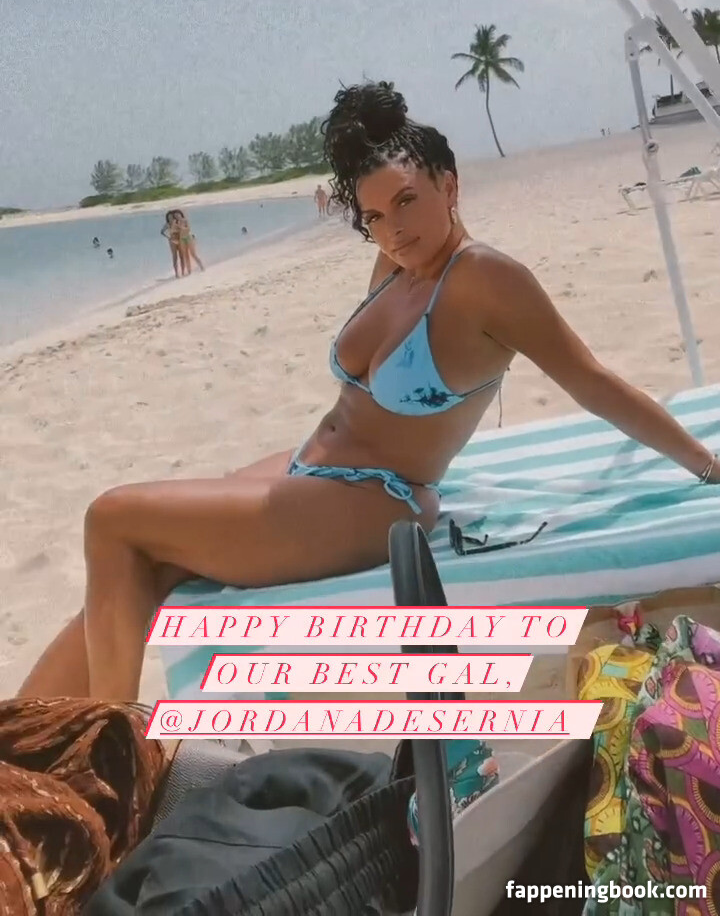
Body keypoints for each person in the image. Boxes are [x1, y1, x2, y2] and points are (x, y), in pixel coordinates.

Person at [19, 80, 719, 703]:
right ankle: (22, 744)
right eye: (375, 216)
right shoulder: (398, 261)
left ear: (450, 185)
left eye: (407, 201)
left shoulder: (485, 279)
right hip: (314, 471)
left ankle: (113, 762)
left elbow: (592, 381)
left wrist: (707, 465)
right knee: (144, 562)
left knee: (112, 518)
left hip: (377, 500)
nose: (394, 228)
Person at [174, 209, 205, 274]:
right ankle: (189, 271)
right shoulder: (175, 223)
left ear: (180, 214)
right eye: (175, 215)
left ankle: (201, 266)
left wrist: (181, 227)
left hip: (188, 237)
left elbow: (188, 229)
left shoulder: (185, 220)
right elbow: (174, 231)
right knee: (186, 255)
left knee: (193, 253)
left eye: (178, 214)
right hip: (181, 239)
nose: (177, 216)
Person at [161, 210, 186, 279]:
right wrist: (168, 237)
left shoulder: (177, 222)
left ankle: (183, 272)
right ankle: (176, 273)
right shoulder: (167, 224)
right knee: (175, 257)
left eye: (171, 217)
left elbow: (183, 229)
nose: (170, 218)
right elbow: (162, 232)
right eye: (169, 217)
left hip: (179, 239)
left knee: (182, 256)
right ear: (167, 218)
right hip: (172, 241)